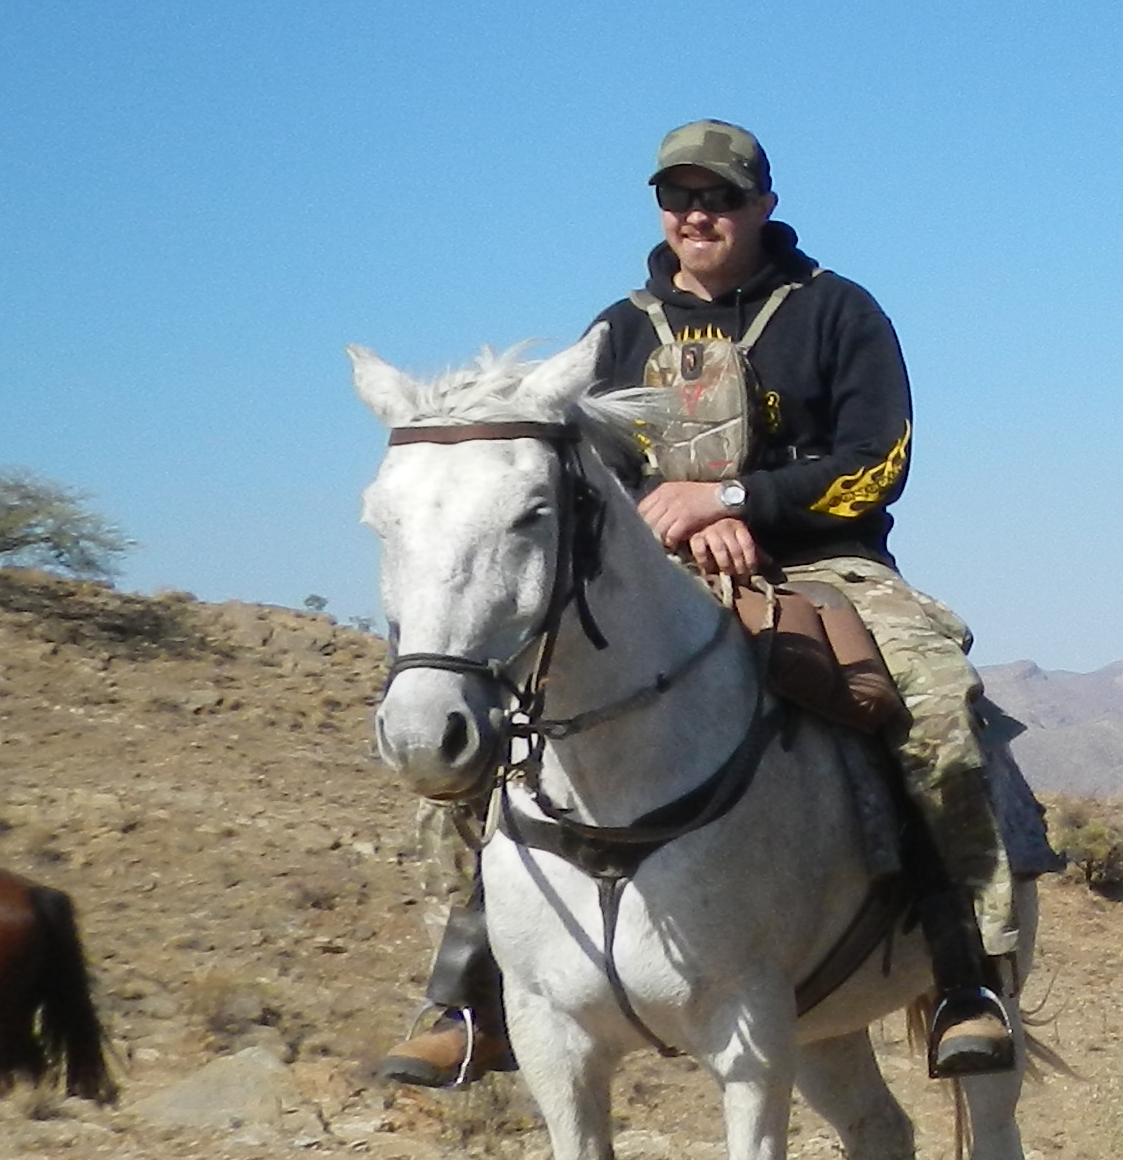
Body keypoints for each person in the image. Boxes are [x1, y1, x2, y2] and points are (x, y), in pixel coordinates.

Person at [383, 120, 1028, 1086]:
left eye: (720, 197)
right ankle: (469, 987)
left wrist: (737, 501)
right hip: (651, 573)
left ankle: (962, 968)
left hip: (825, 567)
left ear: (763, 206)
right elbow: (575, 482)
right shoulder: (620, 328)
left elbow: (878, 463)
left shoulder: (838, 311)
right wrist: (670, 523)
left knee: (935, 705)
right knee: (494, 718)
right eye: (679, 198)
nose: (698, 215)